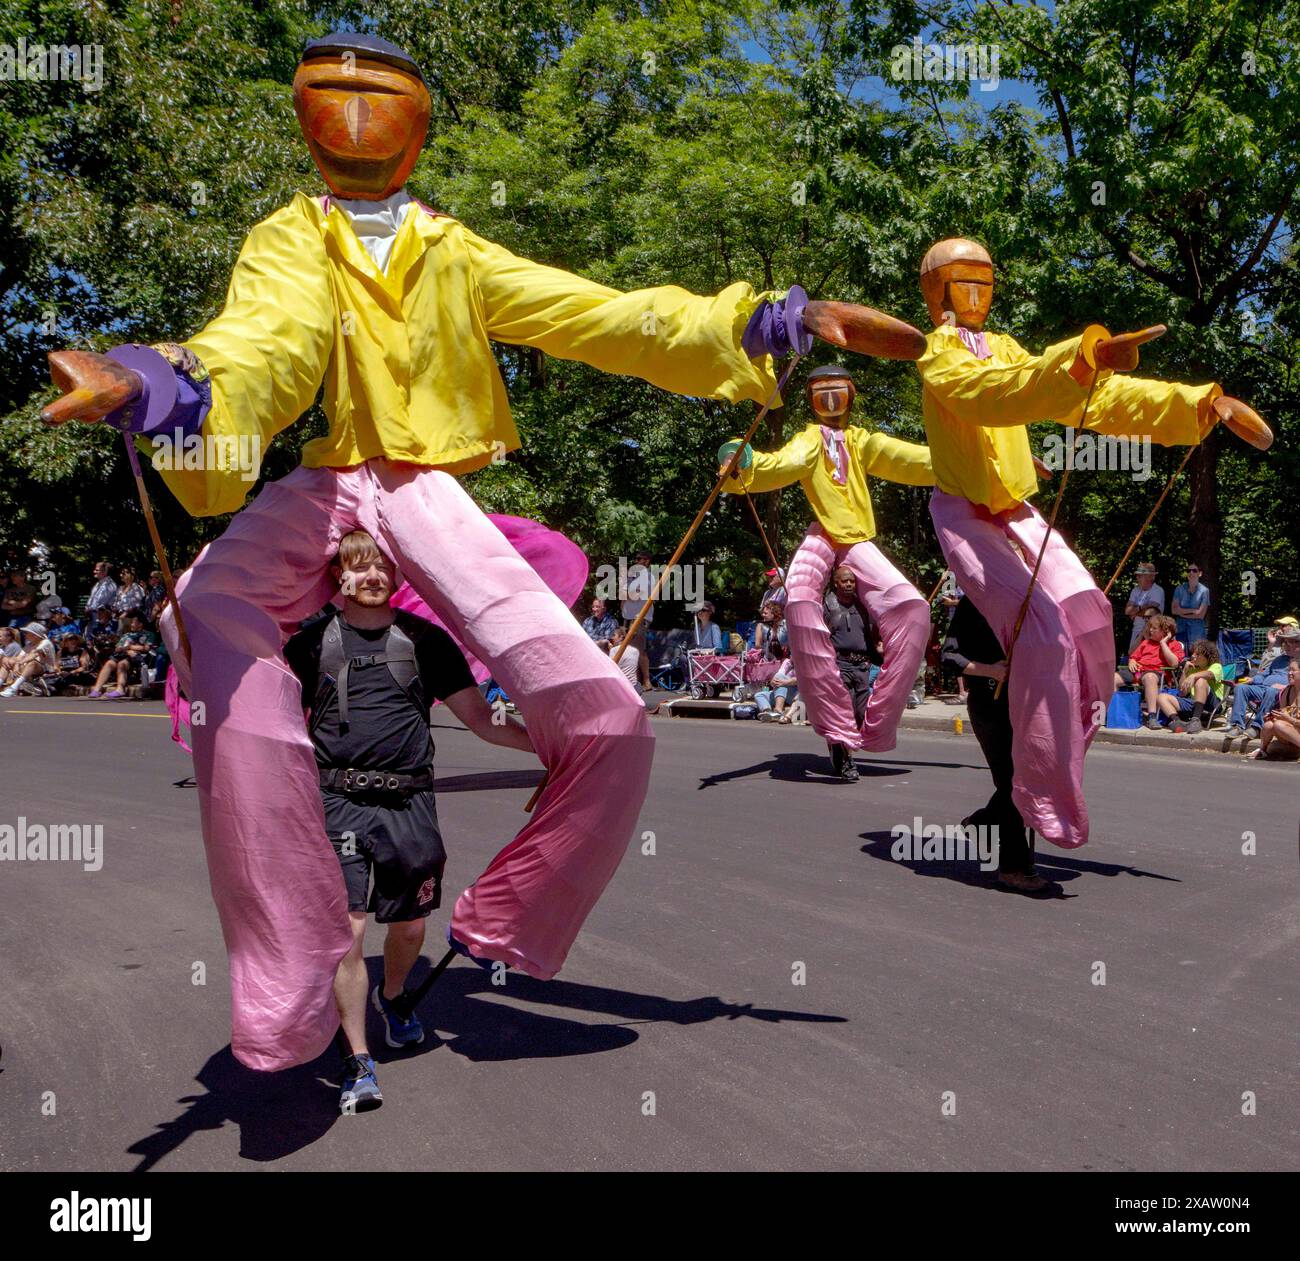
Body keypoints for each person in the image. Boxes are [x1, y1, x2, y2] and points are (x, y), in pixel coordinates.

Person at [39, 30, 929, 1071]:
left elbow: (605, 316)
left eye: (383, 102)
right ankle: (292, 962)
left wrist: (761, 322)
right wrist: (166, 385)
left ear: (415, 134)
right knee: (205, 624)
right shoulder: (287, 239)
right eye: (336, 98)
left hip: (422, 484)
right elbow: (263, 345)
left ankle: (504, 917)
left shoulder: (455, 252)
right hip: (329, 477)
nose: (360, 120)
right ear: (308, 119)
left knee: (607, 715)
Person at [915, 236, 1271, 848]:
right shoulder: (938, 354)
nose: (975, 296)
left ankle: (1041, 775)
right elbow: (997, 394)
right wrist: (1081, 360)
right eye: (961, 284)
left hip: (1019, 513)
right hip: (967, 519)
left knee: (1088, 613)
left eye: (984, 283)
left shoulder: (1002, 347)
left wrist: (1197, 403)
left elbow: (1092, 399)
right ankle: (1030, 803)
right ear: (937, 293)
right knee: (1045, 638)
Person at [284, 531, 534, 1112]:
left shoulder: (426, 642)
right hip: (336, 802)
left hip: (410, 804)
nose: (371, 576)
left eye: (381, 568)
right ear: (337, 578)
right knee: (346, 931)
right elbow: (273, 723)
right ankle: (358, 1060)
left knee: (412, 925)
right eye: (358, 567)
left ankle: (394, 997)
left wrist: (557, 750)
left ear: (396, 578)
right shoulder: (310, 643)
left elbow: (482, 722)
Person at [721, 364, 935, 780]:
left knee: (913, 607)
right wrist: (739, 458)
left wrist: (976, 463)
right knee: (799, 598)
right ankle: (834, 727)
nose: (832, 401)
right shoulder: (810, 439)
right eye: (822, 393)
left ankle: (879, 721)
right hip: (823, 536)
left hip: (857, 541)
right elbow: (781, 462)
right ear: (811, 400)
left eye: (838, 392)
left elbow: (911, 458)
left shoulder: (861, 441)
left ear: (851, 396)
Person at [940, 596, 1048, 893]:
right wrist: (991, 670)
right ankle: (1014, 867)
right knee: (1012, 783)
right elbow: (949, 657)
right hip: (989, 703)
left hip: (1025, 704)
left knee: (1028, 779)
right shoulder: (972, 604)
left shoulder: (1028, 604)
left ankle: (983, 821)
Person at [819, 566, 885, 779]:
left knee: (860, 714)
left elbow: (872, 636)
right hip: (839, 666)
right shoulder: (826, 606)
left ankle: (838, 748)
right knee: (843, 714)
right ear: (836, 583)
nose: (849, 584)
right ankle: (846, 764)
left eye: (852, 581)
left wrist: (879, 650)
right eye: (845, 581)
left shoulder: (863, 607)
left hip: (862, 668)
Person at [1225, 626, 1300, 738]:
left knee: (1271, 690)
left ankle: (1257, 727)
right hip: (1263, 689)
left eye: (1290, 642)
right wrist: (1253, 679)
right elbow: (1263, 675)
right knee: (1240, 688)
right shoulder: (1279, 659)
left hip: (1282, 694)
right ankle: (1237, 725)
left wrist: (1286, 686)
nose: (1286, 645)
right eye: (1285, 642)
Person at [1114, 614, 1185, 730]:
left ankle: (1152, 717)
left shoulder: (1174, 645)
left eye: (1154, 628)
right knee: (1113, 678)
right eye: (1150, 627)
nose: (1150, 630)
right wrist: (1132, 661)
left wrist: (1163, 643)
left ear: (1165, 631)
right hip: (1137, 672)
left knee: (1150, 677)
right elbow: (1133, 657)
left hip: (1157, 674)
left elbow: (1174, 663)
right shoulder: (1146, 643)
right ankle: (1114, 712)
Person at [1156, 638, 1223, 734]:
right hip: (1194, 703)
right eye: (1193, 653)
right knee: (1161, 697)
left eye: (1197, 654)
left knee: (1200, 680)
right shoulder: (1192, 669)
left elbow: (1209, 674)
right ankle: (1178, 722)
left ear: (1207, 656)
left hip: (1213, 704)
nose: (1192, 656)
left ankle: (1195, 721)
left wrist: (1193, 676)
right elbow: (1181, 692)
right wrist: (1185, 671)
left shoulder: (1216, 666)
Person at [86, 611, 158, 698]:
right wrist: (125, 649)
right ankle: (97, 690)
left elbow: (146, 648)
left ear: (140, 624)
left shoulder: (148, 634)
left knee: (122, 664)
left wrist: (129, 647)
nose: (131, 624)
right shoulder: (126, 635)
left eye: (133, 623)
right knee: (109, 663)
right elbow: (118, 648)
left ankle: (120, 689)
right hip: (123, 654)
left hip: (137, 657)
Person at [1247, 658, 1300, 761]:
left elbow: (1287, 719)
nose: (1289, 673)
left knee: (1279, 725)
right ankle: (1262, 750)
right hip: (1293, 734)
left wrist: (1288, 719)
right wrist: (1274, 716)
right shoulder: (1287, 691)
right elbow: (1284, 713)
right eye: (1288, 670)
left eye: (1293, 670)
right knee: (1269, 725)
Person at [619, 549, 653, 690]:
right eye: (636, 559)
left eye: (640, 559)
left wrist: (627, 594)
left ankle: (646, 680)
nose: (637, 562)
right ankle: (635, 681)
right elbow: (622, 594)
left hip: (640, 617)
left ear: (647, 561)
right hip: (627, 617)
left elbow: (637, 595)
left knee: (638, 649)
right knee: (628, 649)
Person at [0, 623, 57, 696]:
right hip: (30, 671)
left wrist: (18, 663)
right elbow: (18, 658)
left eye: (27, 633)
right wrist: (8, 660)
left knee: (32, 663)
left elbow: (34, 654)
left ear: (35, 635)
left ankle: (13, 689)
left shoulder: (45, 642)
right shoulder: (29, 645)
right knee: (8, 663)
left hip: (46, 671)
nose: (25, 635)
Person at [1124, 562, 1165, 650]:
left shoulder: (1158, 590)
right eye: (1137, 575)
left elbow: (1152, 612)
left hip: (1153, 631)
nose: (1137, 578)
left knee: (1149, 658)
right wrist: (1142, 607)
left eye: (1140, 575)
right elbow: (1127, 611)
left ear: (1150, 577)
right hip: (1137, 630)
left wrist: (1135, 611)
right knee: (1133, 656)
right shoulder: (1135, 590)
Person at [1170, 563, 1210, 648]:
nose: (1191, 573)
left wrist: (1181, 613)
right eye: (1188, 570)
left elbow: (1201, 615)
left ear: (1200, 573)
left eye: (1194, 570)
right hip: (1181, 629)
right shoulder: (1179, 589)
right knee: (1180, 655)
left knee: (1195, 655)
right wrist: (1193, 611)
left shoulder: (1204, 591)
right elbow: (1174, 610)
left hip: (1197, 632)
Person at [754, 656, 798, 722]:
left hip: (794, 694)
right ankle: (768, 712)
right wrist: (772, 682)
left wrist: (785, 682)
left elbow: (801, 680)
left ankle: (778, 710)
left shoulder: (805, 664)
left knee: (780, 679)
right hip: (782, 691)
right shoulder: (787, 662)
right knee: (759, 695)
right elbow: (779, 675)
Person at [608, 624, 640, 689]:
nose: (612, 638)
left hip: (621, 686)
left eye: (614, 635)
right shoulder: (636, 651)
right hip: (634, 685)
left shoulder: (614, 650)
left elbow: (611, 669)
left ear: (621, 637)